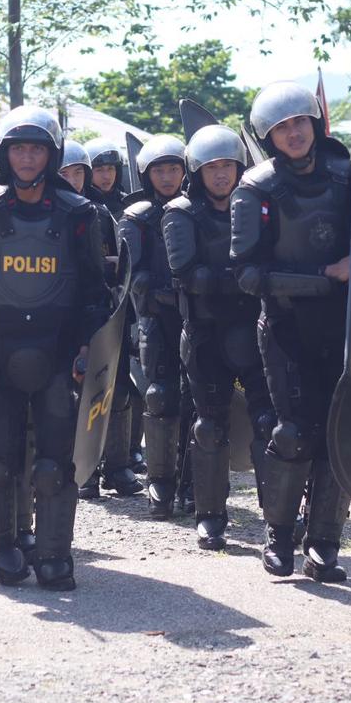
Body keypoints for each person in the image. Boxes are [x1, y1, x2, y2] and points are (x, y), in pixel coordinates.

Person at [0, 106, 111, 589]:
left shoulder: (79, 214)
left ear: (52, 154)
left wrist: (89, 350)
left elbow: (95, 293)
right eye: (18, 148)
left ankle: (56, 554)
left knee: (54, 463)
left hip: (59, 356)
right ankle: (2, 547)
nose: (27, 157)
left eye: (36, 148)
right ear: (4, 152)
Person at [230, 81, 351, 583]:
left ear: (315, 122)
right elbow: (248, 273)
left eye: (299, 122)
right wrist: (322, 278)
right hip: (285, 329)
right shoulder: (255, 189)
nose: (293, 134)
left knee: (339, 438)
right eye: (281, 129)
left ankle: (324, 544)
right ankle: (279, 535)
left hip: (345, 330)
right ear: (268, 137)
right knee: (294, 433)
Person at [162, 125, 275, 550]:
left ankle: (277, 518)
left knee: (269, 423)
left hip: (259, 332)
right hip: (206, 336)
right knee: (209, 426)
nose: (222, 174)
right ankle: (210, 516)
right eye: (212, 167)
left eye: (228, 165)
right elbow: (188, 275)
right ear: (198, 170)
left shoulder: (258, 206)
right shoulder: (180, 212)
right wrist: (251, 278)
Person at [60, 139, 143, 500]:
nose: (74, 179)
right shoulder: (46, 211)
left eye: (79, 172)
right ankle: (82, 469)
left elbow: (118, 263)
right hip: (60, 315)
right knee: (71, 392)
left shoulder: (98, 213)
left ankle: (118, 464)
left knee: (117, 387)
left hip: (103, 310)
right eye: (67, 173)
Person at [119, 136, 192, 519]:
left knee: (200, 403)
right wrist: (167, 294)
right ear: (147, 175)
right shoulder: (137, 217)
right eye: (160, 170)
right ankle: (161, 484)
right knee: (161, 398)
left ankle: (196, 484)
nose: (168, 177)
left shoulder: (198, 210)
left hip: (199, 320)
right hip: (157, 322)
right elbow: (133, 278)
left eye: (174, 168)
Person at [86, 137, 148, 480]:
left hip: (127, 304)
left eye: (110, 168)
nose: (105, 176)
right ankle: (90, 465)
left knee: (128, 384)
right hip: (92, 306)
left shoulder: (129, 205)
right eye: (98, 169)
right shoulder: (79, 207)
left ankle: (122, 458)